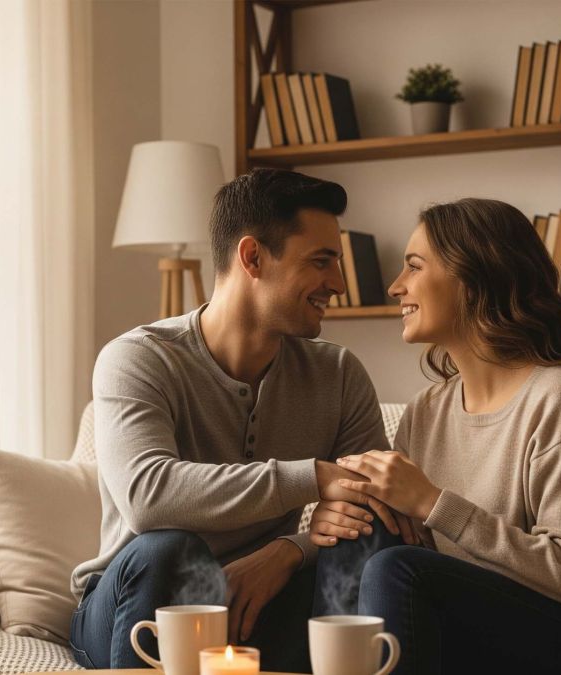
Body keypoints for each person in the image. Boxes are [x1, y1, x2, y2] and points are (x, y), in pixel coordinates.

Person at [69, 168, 414, 672]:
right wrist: (315, 476)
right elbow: (148, 498)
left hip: (257, 604)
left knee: (369, 536)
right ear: (252, 257)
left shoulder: (337, 372)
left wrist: (289, 550)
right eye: (322, 262)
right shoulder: (137, 358)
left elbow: (373, 506)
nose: (337, 284)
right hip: (136, 604)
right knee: (167, 548)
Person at [311, 198, 561, 674]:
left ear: (473, 277)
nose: (397, 287)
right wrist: (333, 521)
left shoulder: (560, 395)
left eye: (414, 267)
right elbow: (400, 544)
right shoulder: (427, 411)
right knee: (361, 533)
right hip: (490, 623)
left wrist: (433, 503)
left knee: (395, 569)